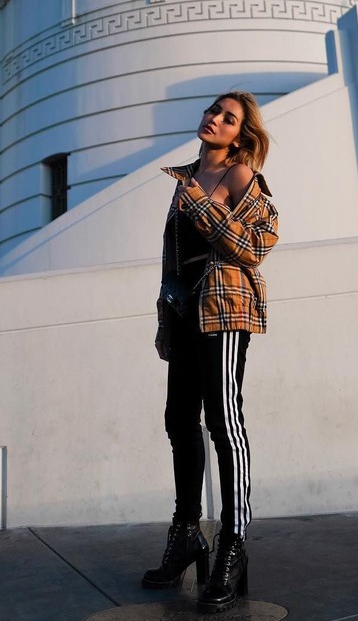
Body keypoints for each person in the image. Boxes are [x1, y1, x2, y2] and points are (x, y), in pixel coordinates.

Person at [142, 91, 279, 613]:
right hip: (184, 311)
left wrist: (201, 202)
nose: (215, 120)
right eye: (213, 111)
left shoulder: (242, 177)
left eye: (229, 118)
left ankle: (233, 544)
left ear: (241, 133)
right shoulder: (185, 179)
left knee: (224, 421)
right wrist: (164, 318)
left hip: (224, 308)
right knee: (179, 420)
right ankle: (186, 535)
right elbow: (173, 259)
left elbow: (256, 247)